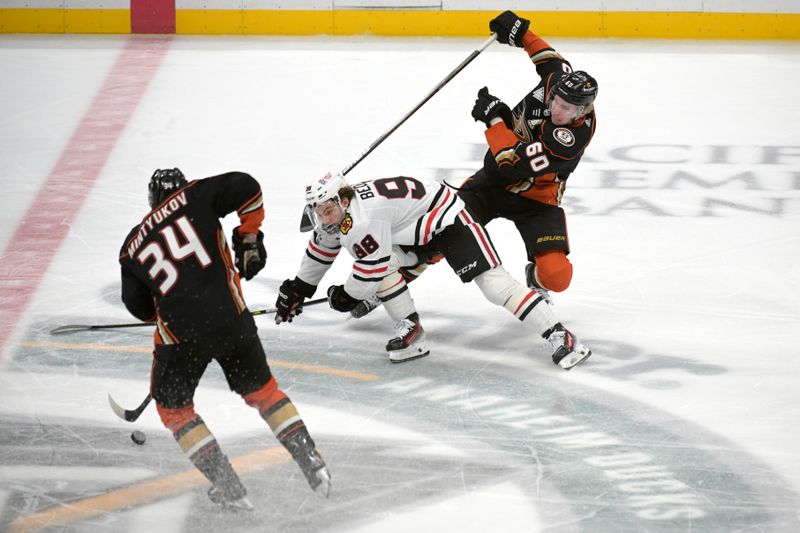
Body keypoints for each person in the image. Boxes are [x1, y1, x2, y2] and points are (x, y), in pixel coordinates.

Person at [118, 168, 331, 511]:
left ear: (150, 199)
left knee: (175, 410)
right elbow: (247, 187)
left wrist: (170, 307)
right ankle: (312, 461)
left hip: (181, 338)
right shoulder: (197, 195)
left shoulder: (131, 246)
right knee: (264, 393)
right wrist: (248, 237)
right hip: (232, 321)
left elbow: (139, 307)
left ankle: (227, 485)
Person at [273, 171, 591, 370]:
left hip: (449, 220)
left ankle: (561, 334)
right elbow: (321, 249)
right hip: (411, 229)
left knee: (495, 286)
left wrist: (346, 295)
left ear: (344, 200)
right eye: (318, 212)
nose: (323, 218)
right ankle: (411, 329)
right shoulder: (335, 211)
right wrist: (299, 288)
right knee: (383, 267)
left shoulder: (364, 218)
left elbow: (368, 266)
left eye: (328, 210)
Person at [460, 10, 598, 303]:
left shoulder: (570, 139)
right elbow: (551, 60)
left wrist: (494, 118)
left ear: (582, 112)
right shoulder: (557, 83)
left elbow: (510, 164)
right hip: (491, 185)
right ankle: (389, 281)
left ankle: (534, 278)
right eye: (555, 101)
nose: (556, 110)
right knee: (441, 227)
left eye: (566, 109)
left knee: (558, 277)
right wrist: (521, 33)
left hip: (537, 198)